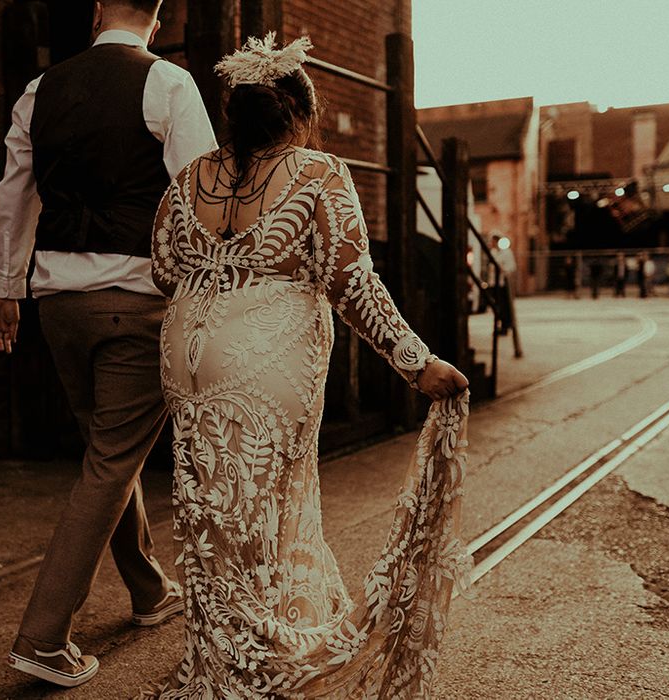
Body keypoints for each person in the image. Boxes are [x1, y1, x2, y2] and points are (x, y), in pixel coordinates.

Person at [139, 33, 471, 698]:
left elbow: (162, 270)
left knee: (210, 513)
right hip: (267, 356)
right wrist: (417, 363)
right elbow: (353, 285)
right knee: (264, 509)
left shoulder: (185, 181)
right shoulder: (318, 174)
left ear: (236, 114)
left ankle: (218, 658)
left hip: (187, 359)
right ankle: (260, 664)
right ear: (299, 113)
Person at [0, 0, 217, 687]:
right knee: (112, 462)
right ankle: (44, 637)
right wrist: (204, 294)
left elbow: (14, 193)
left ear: (93, 12)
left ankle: (149, 592)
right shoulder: (168, 84)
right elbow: (198, 196)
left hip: (58, 305)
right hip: (137, 301)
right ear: (159, 14)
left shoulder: (40, 90)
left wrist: (5, 287)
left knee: (106, 452)